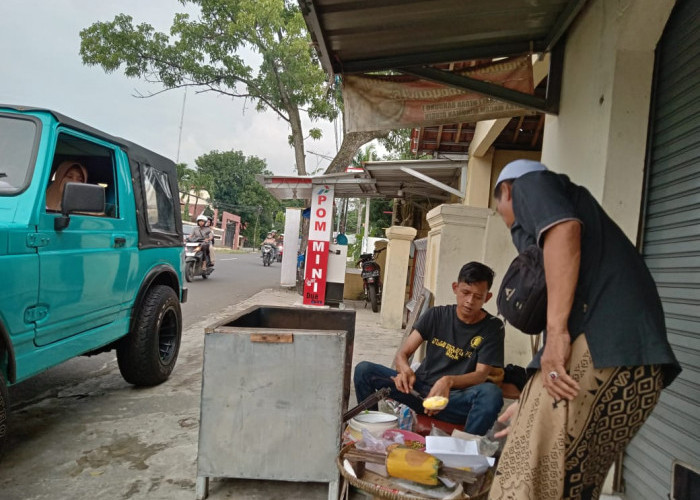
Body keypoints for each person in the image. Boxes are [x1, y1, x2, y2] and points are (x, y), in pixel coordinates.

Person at [489, 160, 681, 500]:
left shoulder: (530, 184)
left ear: (505, 191)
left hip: (601, 352)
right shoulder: (595, 243)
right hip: (636, 370)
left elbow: (562, 230)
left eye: (506, 216)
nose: (515, 230)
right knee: (570, 486)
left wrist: (557, 332)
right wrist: (535, 399)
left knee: (523, 482)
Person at [354, 261, 505, 436]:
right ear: (455, 288)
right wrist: (405, 370)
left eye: (478, 297)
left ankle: (463, 449)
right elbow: (404, 353)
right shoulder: (436, 315)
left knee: (491, 394)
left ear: (487, 298)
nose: (470, 301)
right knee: (364, 370)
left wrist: (447, 381)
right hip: (418, 392)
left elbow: (481, 375)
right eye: (465, 293)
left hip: (453, 399)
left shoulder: (493, 327)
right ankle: (373, 431)